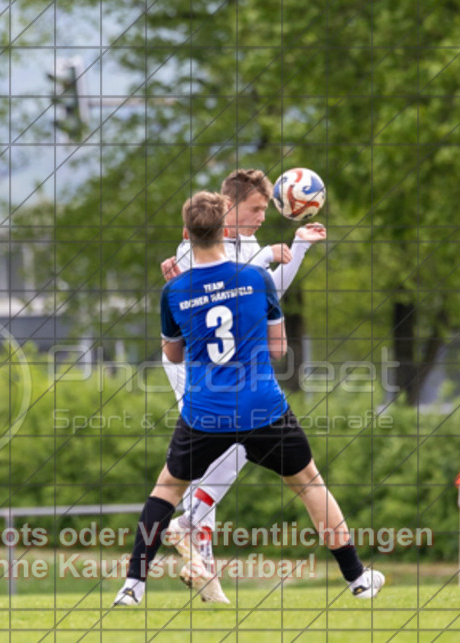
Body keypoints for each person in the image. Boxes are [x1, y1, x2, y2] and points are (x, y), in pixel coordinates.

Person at [112, 191, 384, 607]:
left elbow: (173, 353)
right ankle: (357, 579)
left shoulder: (174, 291)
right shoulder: (256, 278)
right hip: (262, 406)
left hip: (206, 411)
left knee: (165, 492)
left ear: (187, 233)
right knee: (310, 486)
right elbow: (278, 349)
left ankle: (132, 587)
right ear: (225, 231)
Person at [159, 169, 323, 603]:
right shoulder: (194, 243)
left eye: (267, 209)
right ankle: (187, 526)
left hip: (232, 366)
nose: (262, 217)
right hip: (198, 364)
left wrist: (300, 247)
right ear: (228, 206)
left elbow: (265, 292)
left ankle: (200, 556)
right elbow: (217, 290)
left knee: (226, 453)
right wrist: (267, 255)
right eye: (255, 209)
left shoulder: (250, 248)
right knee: (227, 448)